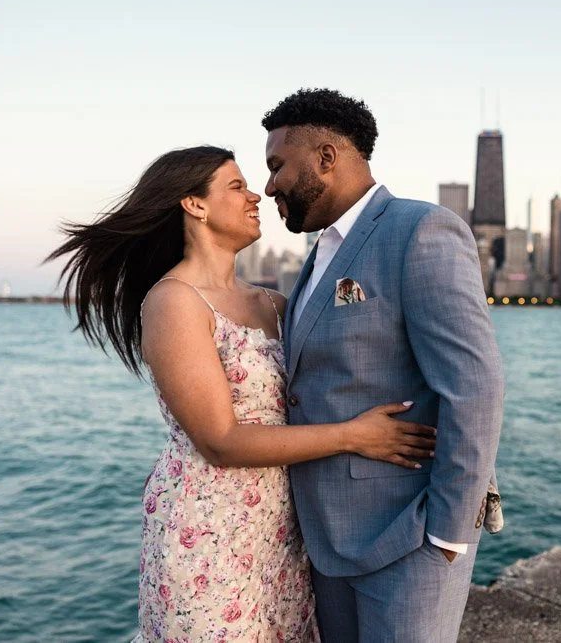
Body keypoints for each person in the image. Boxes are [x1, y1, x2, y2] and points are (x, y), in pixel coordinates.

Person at [46, 146, 436, 641]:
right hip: (208, 531)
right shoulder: (173, 302)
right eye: (236, 186)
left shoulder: (275, 302)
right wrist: (355, 437)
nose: (258, 195)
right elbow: (220, 440)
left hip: (285, 531)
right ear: (195, 205)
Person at [262, 88, 505, 642]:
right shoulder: (320, 252)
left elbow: (476, 388)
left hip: (407, 538)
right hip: (327, 540)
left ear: (326, 158)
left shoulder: (421, 231)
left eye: (277, 165)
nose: (269, 184)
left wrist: (448, 535)